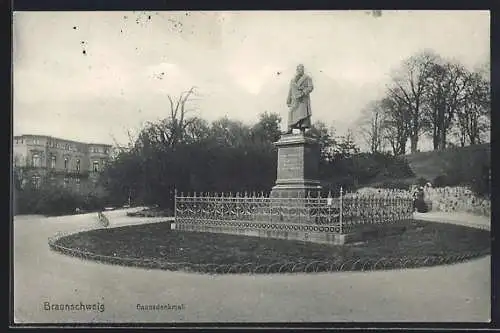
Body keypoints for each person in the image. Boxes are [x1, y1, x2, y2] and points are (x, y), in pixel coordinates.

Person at [285, 64, 314, 134]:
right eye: (299, 69)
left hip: (302, 100)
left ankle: (302, 130)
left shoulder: (307, 78)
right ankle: (290, 129)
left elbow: (310, 87)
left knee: (302, 115)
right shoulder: (293, 79)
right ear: (297, 70)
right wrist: (288, 99)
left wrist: (304, 92)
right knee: (291, 112)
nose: (300, 70)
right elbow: (291, 89)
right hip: (294, 100)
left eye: (302, 69)